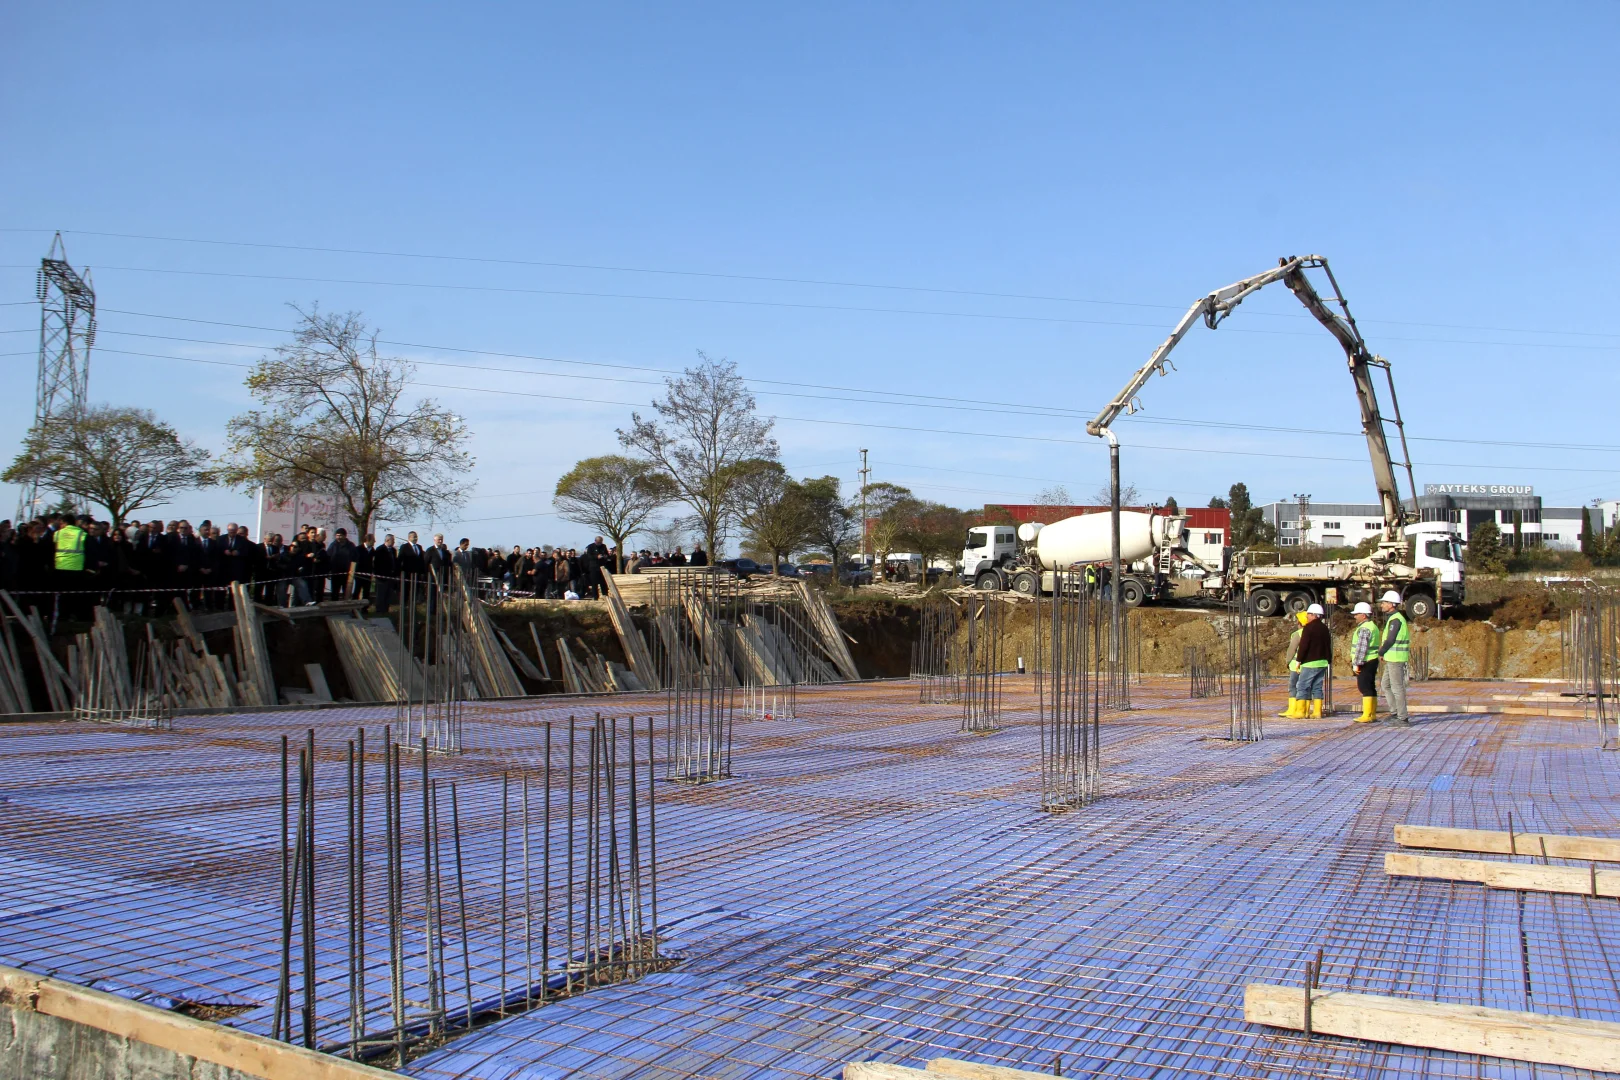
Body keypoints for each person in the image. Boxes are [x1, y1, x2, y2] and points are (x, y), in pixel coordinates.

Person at [1376, 590, 1412, 727]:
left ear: (1392, 604)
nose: (1382, 605)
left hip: (1396, 658)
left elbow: (1390, 639)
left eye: (1384, 602)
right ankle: (1395, 713)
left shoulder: (1396, 619)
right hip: (1391, 658)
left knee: (1397, 688)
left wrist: (1381, 652)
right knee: (1385, 685)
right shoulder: (1393, 618)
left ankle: (1403, 718)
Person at [1293, 603, 1332, 718]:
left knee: (1302, 685)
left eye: (1309, 614)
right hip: (1323, 662)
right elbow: (1328, 645)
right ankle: (1317, 712)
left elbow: (1304, 646)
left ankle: (1301, 712)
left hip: (1310, 662)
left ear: (1314, 615)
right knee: (1317, 686)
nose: (1307, 616)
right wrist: (1328, 660)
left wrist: (1299, 660)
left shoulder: (1308, 628)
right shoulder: (1325, 628)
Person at [1349, 601, 1381, 724]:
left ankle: (1367, 715)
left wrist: (1356, 663)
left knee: (1364, 687)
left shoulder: (1364, 629)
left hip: (1366, 661)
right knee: (1371, 687)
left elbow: (1361, 648)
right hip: (1372, 660)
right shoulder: (1373, 626)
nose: (1355, 616)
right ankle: (1371, 714)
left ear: (1363, 615)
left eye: (1357, 614)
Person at [1278, 610, 1307, 718]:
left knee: (1293, 686)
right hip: (1306, 665)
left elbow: (1291, 650)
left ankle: (1292, 709)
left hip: (1296, 665)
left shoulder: (1297, 634)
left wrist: (1288, 661)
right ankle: (1303, 710)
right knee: (1303, 687)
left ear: (1300, 623)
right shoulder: (1310, 633)